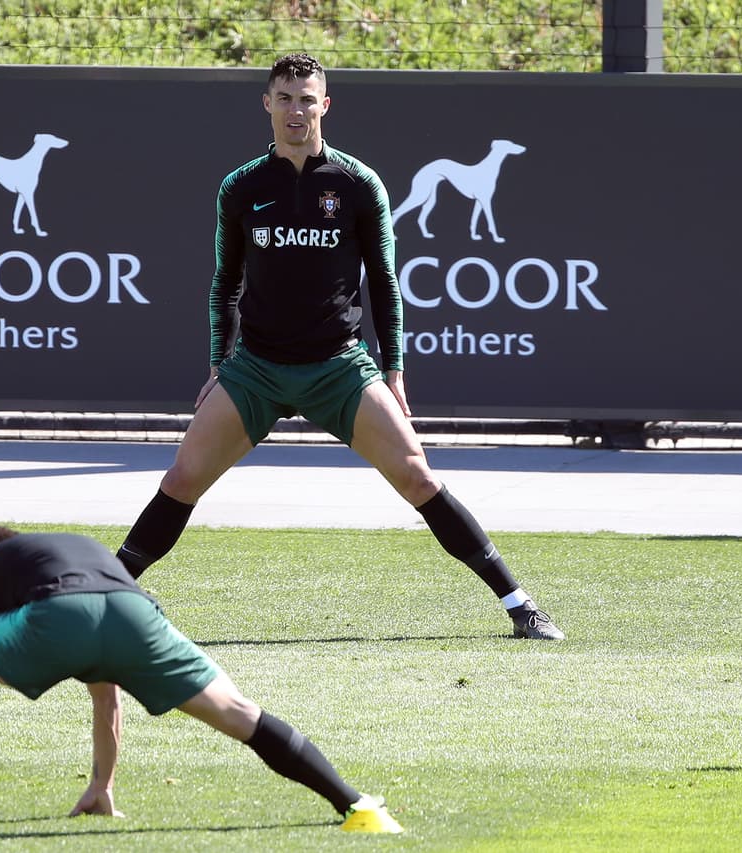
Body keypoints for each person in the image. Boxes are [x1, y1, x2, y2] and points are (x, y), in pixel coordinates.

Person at [115, 52, 564, 642]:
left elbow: (384, 281)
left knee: (419, 479)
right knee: (181, 480)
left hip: (340, 367)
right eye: (284, 98)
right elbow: (226, 282)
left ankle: (520, 605)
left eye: (307, 99)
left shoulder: (358, 184)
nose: (296, 110)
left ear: (325, 105)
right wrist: (218, 364)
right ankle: (104, 595)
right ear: (267, 105)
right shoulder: (241, 187)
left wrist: (394, 368)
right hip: (257, 368)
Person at [0, 525, 401, 834]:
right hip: (137, 613)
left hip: (59, 615)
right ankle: (356, 804)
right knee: (240, 713)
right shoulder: (71, 549)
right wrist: (102, 783)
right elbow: (105, 690)